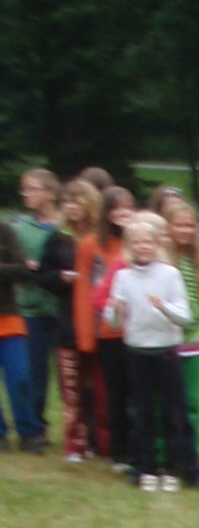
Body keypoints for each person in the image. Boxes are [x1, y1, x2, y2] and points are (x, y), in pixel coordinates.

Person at [105, 211, 199, 491]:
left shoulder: (170, 275)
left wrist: (163, 307)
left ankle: (173, 468)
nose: (142, 247)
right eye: (136, 242)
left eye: (147, 242)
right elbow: (113, 322)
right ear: (129, 246)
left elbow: (184, 317)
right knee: (143, 412)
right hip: (137, 351)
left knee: (173, 412)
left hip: (166, 351)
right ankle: (145, 468)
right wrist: (114, 310)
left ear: (157, 244)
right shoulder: (123, 276)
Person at [55, 181, 110, 464]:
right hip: (68, 322)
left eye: (78, 201)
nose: (72, 207)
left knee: (101, 389)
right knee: (72, 390)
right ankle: (74, 444)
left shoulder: (101, 238)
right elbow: (43, 275)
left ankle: (103, 443)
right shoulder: (58, 238)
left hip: (100, 323)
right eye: (68, 201)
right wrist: (60, 278)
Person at [164, 196, 199, 451]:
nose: (185, 230)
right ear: (168, 227)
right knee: (165, 400)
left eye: (190, 226)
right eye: (179, 225)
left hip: (195, 339)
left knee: (192, 401)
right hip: (167, 338)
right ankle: (164, 452)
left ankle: (191, 452)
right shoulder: (161, 262)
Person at [13, 169, 63, 434]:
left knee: (70, 374)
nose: (26, 195)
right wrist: (24, 266)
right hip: (32, 309)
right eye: (24, 190)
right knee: (35, 372)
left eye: (33, 189)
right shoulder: (20, 230)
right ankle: (35, 427)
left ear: (51, 193)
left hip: (65, 308)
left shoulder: (66, 226)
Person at [92, 184, 135, 464]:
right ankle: (118, 451)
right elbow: (98, 295)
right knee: (116, 393)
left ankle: (137, 448)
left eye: (127, 207)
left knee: (137, 393)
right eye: (117, 209)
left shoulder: (142, 243)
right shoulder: (101, 246)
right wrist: (113, 305)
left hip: (140, 333)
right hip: (112, 332)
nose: (123, 213)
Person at [0, 214, 43, 451]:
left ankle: (29, 432)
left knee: (20, 377)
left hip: (8, 316)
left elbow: (22, 270)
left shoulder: (4, 230)